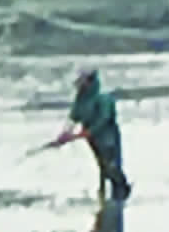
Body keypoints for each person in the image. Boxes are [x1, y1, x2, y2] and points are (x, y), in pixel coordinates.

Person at [53, 69, 132, 202]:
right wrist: (65, 134)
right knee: (101, 165)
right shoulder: (80, 99)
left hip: (108, 137)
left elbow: (104, 118)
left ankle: (121, 190)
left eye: (82, 82)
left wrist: (89, 131)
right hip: (93, 139)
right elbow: (73, 117)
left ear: (90, 82)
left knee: (111, 165)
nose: (79, 85)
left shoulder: (103, 98)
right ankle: (104, 192)